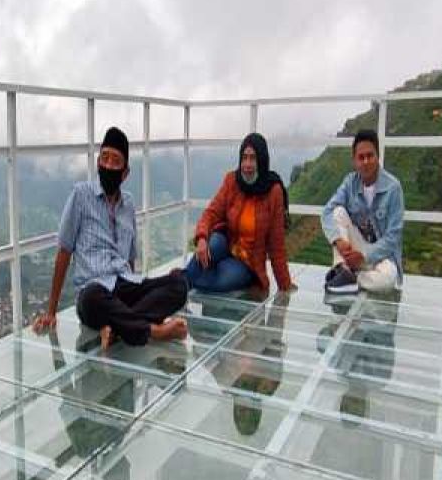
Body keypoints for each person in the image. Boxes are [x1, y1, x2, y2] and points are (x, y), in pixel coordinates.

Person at [33, 126, 188, 348]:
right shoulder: (80, 195)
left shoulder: (129, 204)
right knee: (90, 297)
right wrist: (51, 311)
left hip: (125, 285)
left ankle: (117, 327)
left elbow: (130, 258)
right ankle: (152, 330)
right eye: (104, 158)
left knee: (179, 283)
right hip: (95, 291)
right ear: (97, 163)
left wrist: (137, 293)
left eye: (115, 160)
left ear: (125, 173)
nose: (108, 165)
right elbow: (64, 250)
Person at [185, 132, 293, 293]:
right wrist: (201, 238)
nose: (247, 164)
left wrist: (285, 285)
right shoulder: (232, 181)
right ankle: (180, 283)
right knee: (211, 246)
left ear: (262, 160)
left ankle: (181, 280)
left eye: (253, 158)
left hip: (247, 261)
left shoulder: (273, 191)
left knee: (222, 280)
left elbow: (277, 245)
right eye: (244, 157)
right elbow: (211, 213)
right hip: (226, 243)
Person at [321, 128, 404, 294]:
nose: (366, 161)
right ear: (354, 161)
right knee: (338, 212)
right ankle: (343, 268)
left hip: (381, 255)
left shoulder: (393, 188)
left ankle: (353, 278)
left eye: (370, 155)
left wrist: (364, 255)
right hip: (355, 250)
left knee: (388, 278)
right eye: (361, 157)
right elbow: (327, 212)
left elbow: (393, 237)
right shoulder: (350, 183)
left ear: (377, 156)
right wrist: (338, 241)